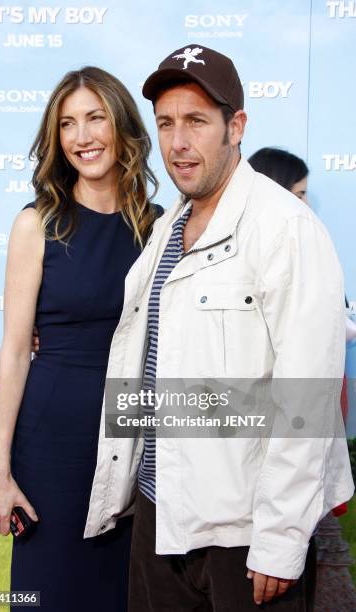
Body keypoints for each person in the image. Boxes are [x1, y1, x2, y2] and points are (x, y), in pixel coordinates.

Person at [84, 44, 354, 611]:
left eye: (197, 122)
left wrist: (280, 543)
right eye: (166, 123)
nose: (178, 143)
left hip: (244, 535)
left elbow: (306, 395)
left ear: (236, 126)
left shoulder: (287, 229)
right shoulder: (165, 230)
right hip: (159, 516)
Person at [0, 66, 160, 612]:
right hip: (51, 448)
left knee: (123, 596)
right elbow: (15, 352)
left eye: (95, 118)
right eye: (67, 124)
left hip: (133, 444)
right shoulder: (37, 224)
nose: (82, 137)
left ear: (122, 126)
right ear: (55, 139)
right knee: (49, 596)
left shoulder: (160, 228)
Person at [249, 146, 356, 611]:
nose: (306, 205)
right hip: (284, 454)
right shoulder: (266, 254)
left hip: (311, 448)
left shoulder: (308, 249)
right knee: (325, 563)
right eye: (299, 194)